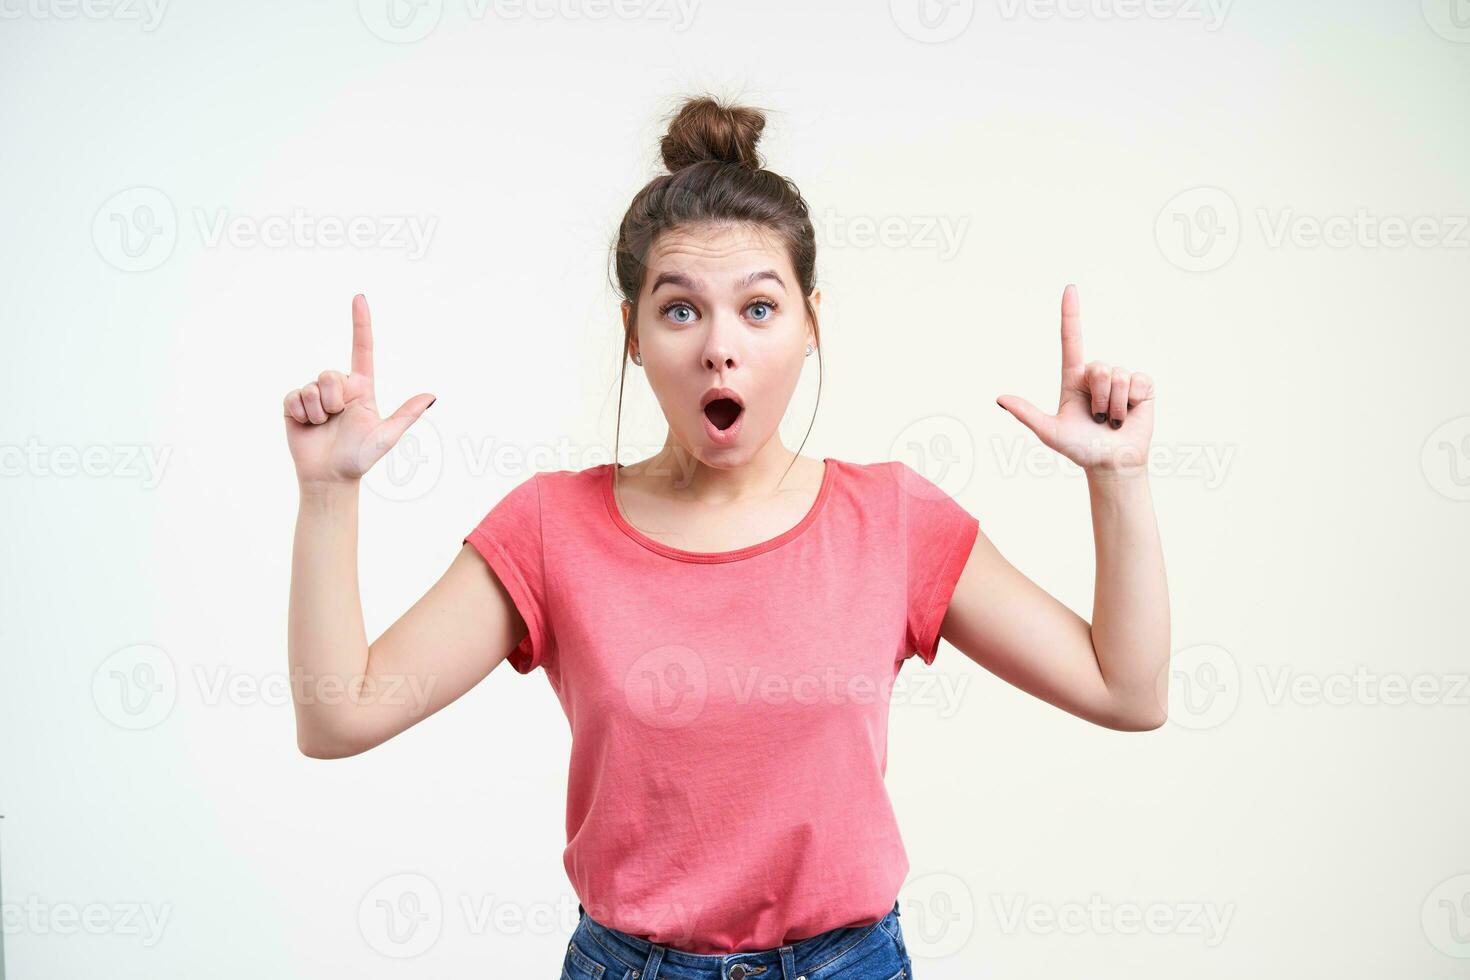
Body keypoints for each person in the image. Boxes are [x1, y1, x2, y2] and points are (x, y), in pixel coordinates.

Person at [282, 94, 1171, 978]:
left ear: (810, 324)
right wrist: (327, 493)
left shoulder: (893, 521)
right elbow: (338, 715)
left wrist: (1118, 477)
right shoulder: (552, 529)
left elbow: (1125, 690)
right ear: (631, 333)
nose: (719, 348)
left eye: (758, 308)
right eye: (679, 310)